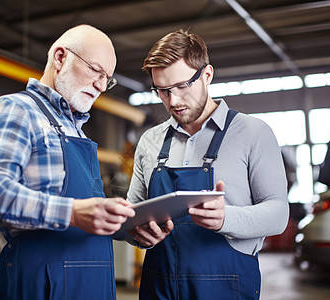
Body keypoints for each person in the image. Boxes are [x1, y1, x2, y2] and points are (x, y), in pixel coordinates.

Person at [0, 24, 135, 300]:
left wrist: (128, 227)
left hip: (93, 287)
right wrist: (72, 212)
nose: (102, 86)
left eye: (108, 78)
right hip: (43, 288)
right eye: (96, 70)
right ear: (59, 58)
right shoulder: (16, 110)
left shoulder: (75, 130)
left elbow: (88, 217)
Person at [126, 29, 289, 300]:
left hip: (227, 287)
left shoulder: (253, 132)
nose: (173, 100)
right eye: (163, 91)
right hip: (159, 286)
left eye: (181, 86)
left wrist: (227, 218)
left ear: (207, 75)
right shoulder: (149, 141)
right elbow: (134, 213)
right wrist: (135, 233)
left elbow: (278, 213)